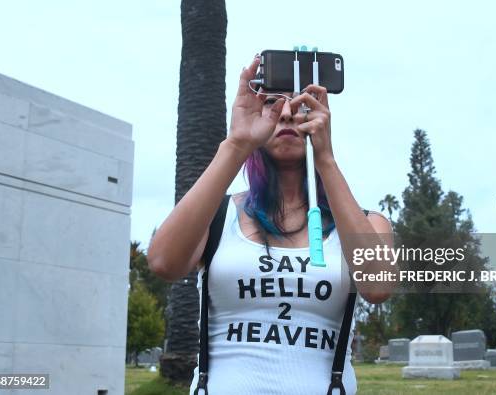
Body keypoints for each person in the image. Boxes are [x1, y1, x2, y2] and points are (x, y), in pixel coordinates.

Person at [148, 54, 393, 394]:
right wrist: (236, 144)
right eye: (274, 104)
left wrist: (325, 159)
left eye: (302, 105)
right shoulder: (220, 215)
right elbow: (164, 263)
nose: (289, 113)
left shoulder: (367, 223)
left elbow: (378, 286)